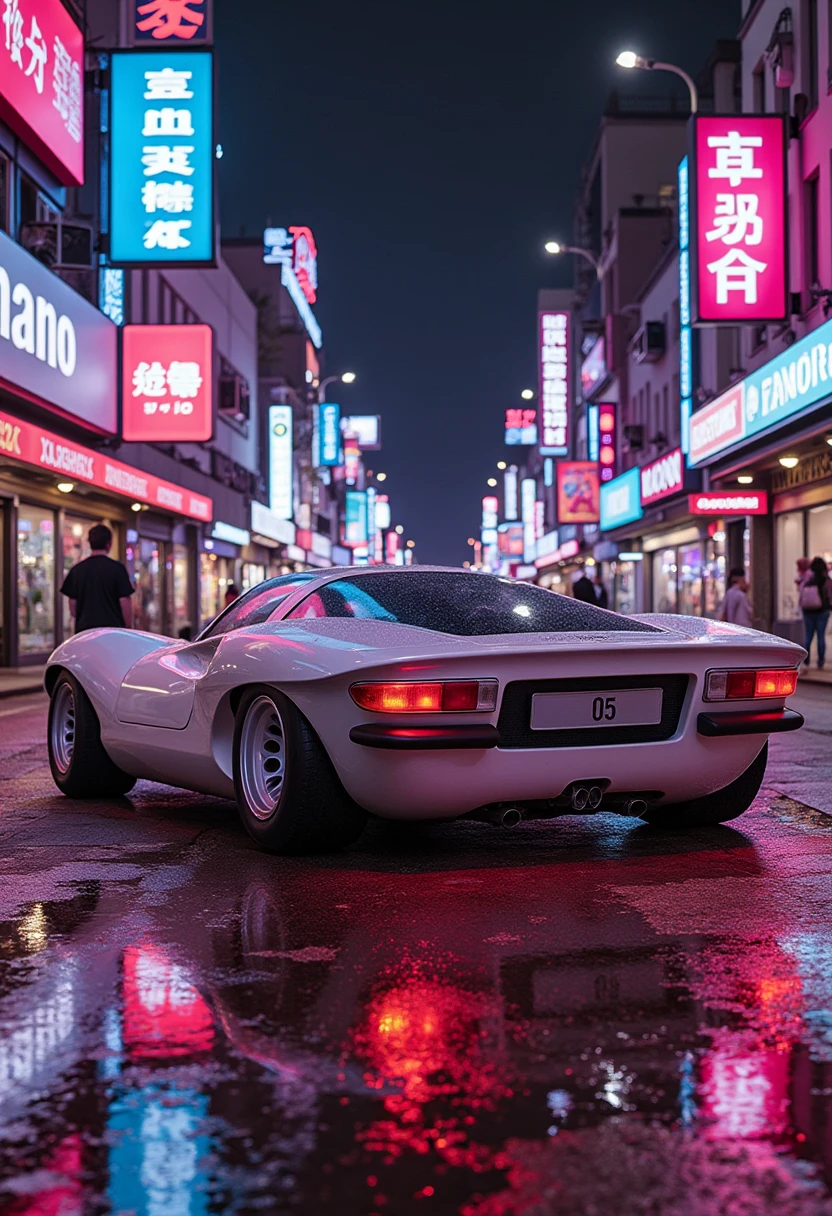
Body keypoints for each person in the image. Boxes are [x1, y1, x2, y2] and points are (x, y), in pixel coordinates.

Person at [60, 524, 135, 633]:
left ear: (90, 543)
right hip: (113, 634)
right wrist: (128, 629)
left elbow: (73, 608)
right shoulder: (117, 569)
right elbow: (125, 603)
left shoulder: (77, 570)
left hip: (85, 634)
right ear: (109, 544)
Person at [800, 556, 832, 669]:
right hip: (822, 610)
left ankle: (806, 661)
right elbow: (830, 595)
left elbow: (801, 591)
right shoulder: (826, 579)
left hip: (808, 610)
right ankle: (820, 661)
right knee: (821, 636)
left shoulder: (808, 577)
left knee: (808, 635)